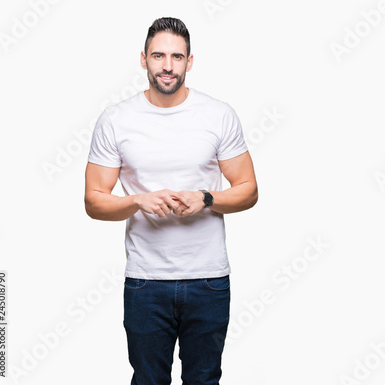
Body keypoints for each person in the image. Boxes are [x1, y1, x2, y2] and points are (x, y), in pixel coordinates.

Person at [84, 17, 258, 385]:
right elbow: (94, 201)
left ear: (189, 62)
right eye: (158, 55)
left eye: (176, 57)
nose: (167, 66)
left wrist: (207, 198)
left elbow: (248, 189)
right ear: (143, 59)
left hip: (208, 279)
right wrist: (137, 201)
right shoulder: (116, 119)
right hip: (147, 281)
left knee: (205, 379)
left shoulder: (218, 114)